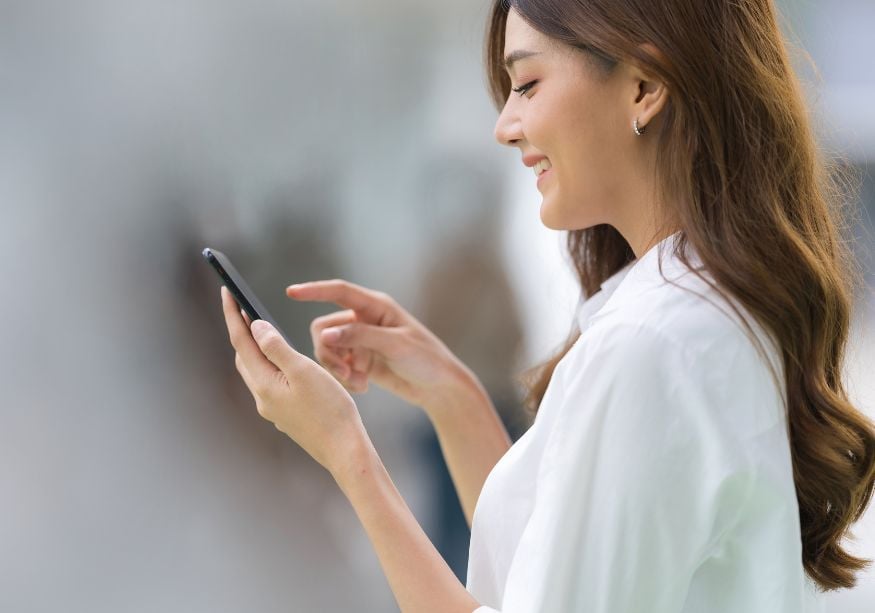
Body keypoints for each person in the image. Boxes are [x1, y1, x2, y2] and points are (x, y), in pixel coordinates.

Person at [218, 0, 875, 611]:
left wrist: (345, 452)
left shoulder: (650, 346)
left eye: (526, 85)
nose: (504, 126)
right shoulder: (696, 313)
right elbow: (554, 560)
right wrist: (452, 394)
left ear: (644, 88)